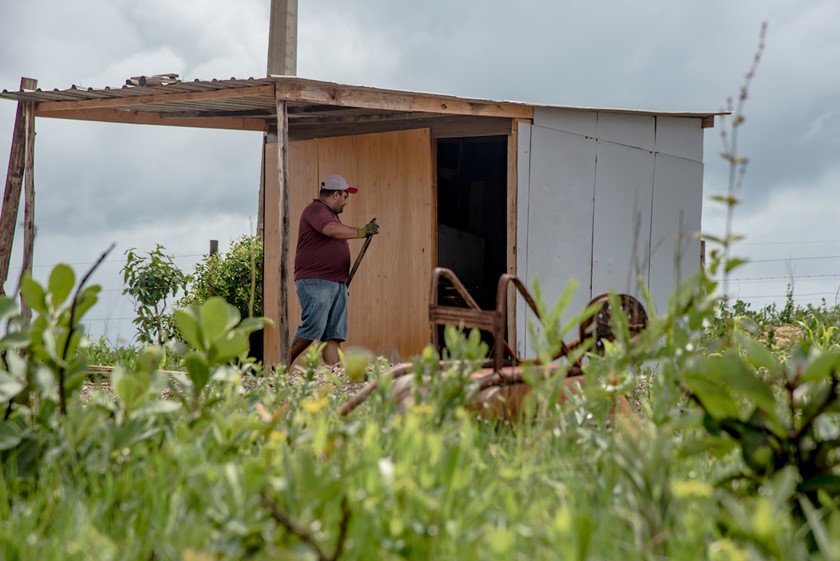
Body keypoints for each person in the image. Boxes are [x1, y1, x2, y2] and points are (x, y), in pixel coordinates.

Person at [288, 174, 379, 368]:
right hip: (316, 280)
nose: (346, 202)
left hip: (336, 281)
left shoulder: (331, 215)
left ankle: (335, 374)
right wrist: (361, 232)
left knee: (333, 334)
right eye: (345, 196)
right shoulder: (317, 210)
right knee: (313, 327)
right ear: (336, 194)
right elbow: (331, 230)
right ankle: (281, 363)